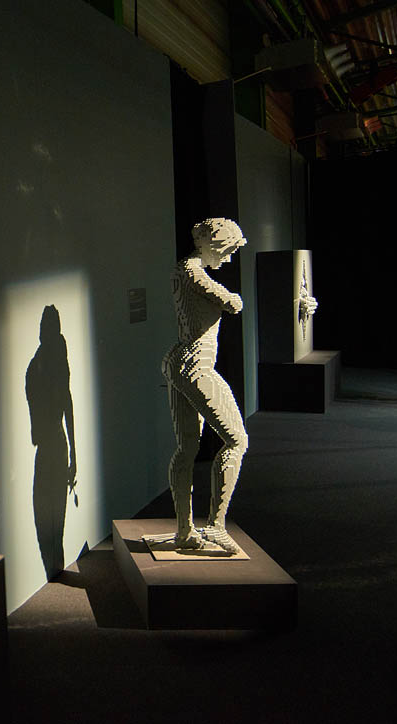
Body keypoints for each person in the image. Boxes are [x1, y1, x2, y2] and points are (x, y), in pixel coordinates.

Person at [160, 218, 248, 555]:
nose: (228, 259)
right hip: (196, 365)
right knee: (237, 441)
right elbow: (232, 303)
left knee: (186, 449)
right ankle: (215, 525)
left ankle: (185, 532)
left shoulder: (185, 270)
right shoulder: (192, 271)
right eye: (227, 251)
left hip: (181, 361)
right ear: (214, 244)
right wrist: (233, 297)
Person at [25, 305, 77, 580]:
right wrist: (74, 456)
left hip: (49, 447)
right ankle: (55, 572)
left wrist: (74, 457)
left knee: (50, 518)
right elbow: (67, 406)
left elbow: (65, 406)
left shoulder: (41, 366)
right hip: (54, 445)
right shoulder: (48, 364)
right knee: (53, 518)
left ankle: (54, 572)